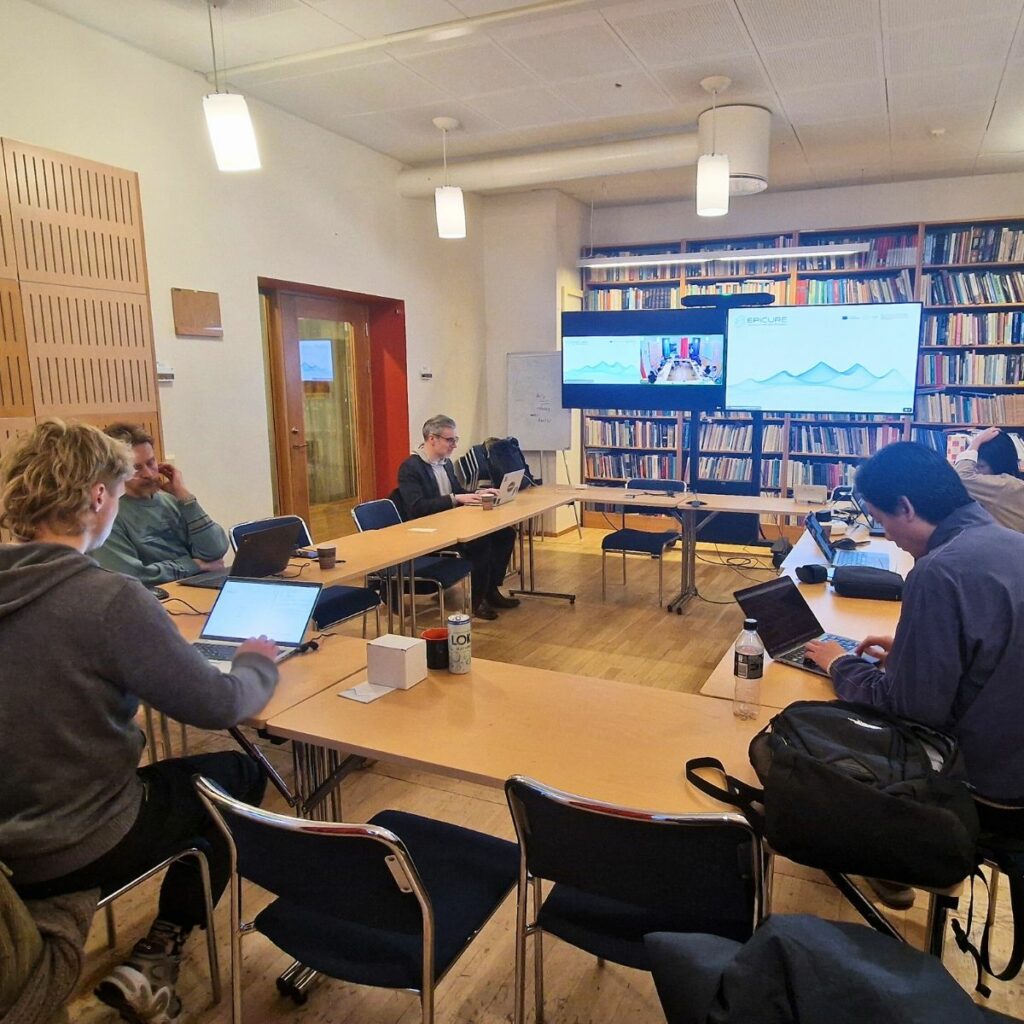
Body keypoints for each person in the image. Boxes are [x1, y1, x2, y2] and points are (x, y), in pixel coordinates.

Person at [0, 419, 279, 1024]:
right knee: (232, 774)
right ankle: (160, 955)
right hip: (74, 841)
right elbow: (218, 706)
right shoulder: (107, 598)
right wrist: (257, 664)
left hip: (7, 845)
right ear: (98, 497)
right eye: (121, 491)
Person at [805, 442, 1024, 847]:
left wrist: (839, 663)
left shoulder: (938, 571)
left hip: (986, 790)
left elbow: (909, 708)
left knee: (813, 731)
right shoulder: (1012, 542)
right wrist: (911, 647)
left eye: (880, 519)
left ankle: (890, 860)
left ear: (905, 507)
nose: (887, 534)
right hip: (1013, 764)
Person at [397, 414, 518, 621]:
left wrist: (477, 493)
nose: (454, 445)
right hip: (429, 529)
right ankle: (478, 600)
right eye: (449, 440)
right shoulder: (411, 467)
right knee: (481, 542)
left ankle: (491, 589)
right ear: (432, 439)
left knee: (505, 534)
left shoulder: (446, 464)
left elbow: (457, 491)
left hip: (451, 522)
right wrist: (456, 498)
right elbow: (417, 508)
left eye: (455, 440)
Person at [92, 422, 229, 585]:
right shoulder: (108, 516)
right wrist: (193, 565)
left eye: (151, 463)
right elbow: (129, 574)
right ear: (116, 471)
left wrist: (185, 496)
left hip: (191, 591)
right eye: (136, 468)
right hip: (154, 599)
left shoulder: (173, 501)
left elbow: (215, 551)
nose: (149, 474)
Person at [954, 426, 1024, 532]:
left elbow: (961, 477)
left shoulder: (1003, 486)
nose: (976, 471)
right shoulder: (1014, 484)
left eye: (980, 466)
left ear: (998, 465)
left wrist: (976, 442)